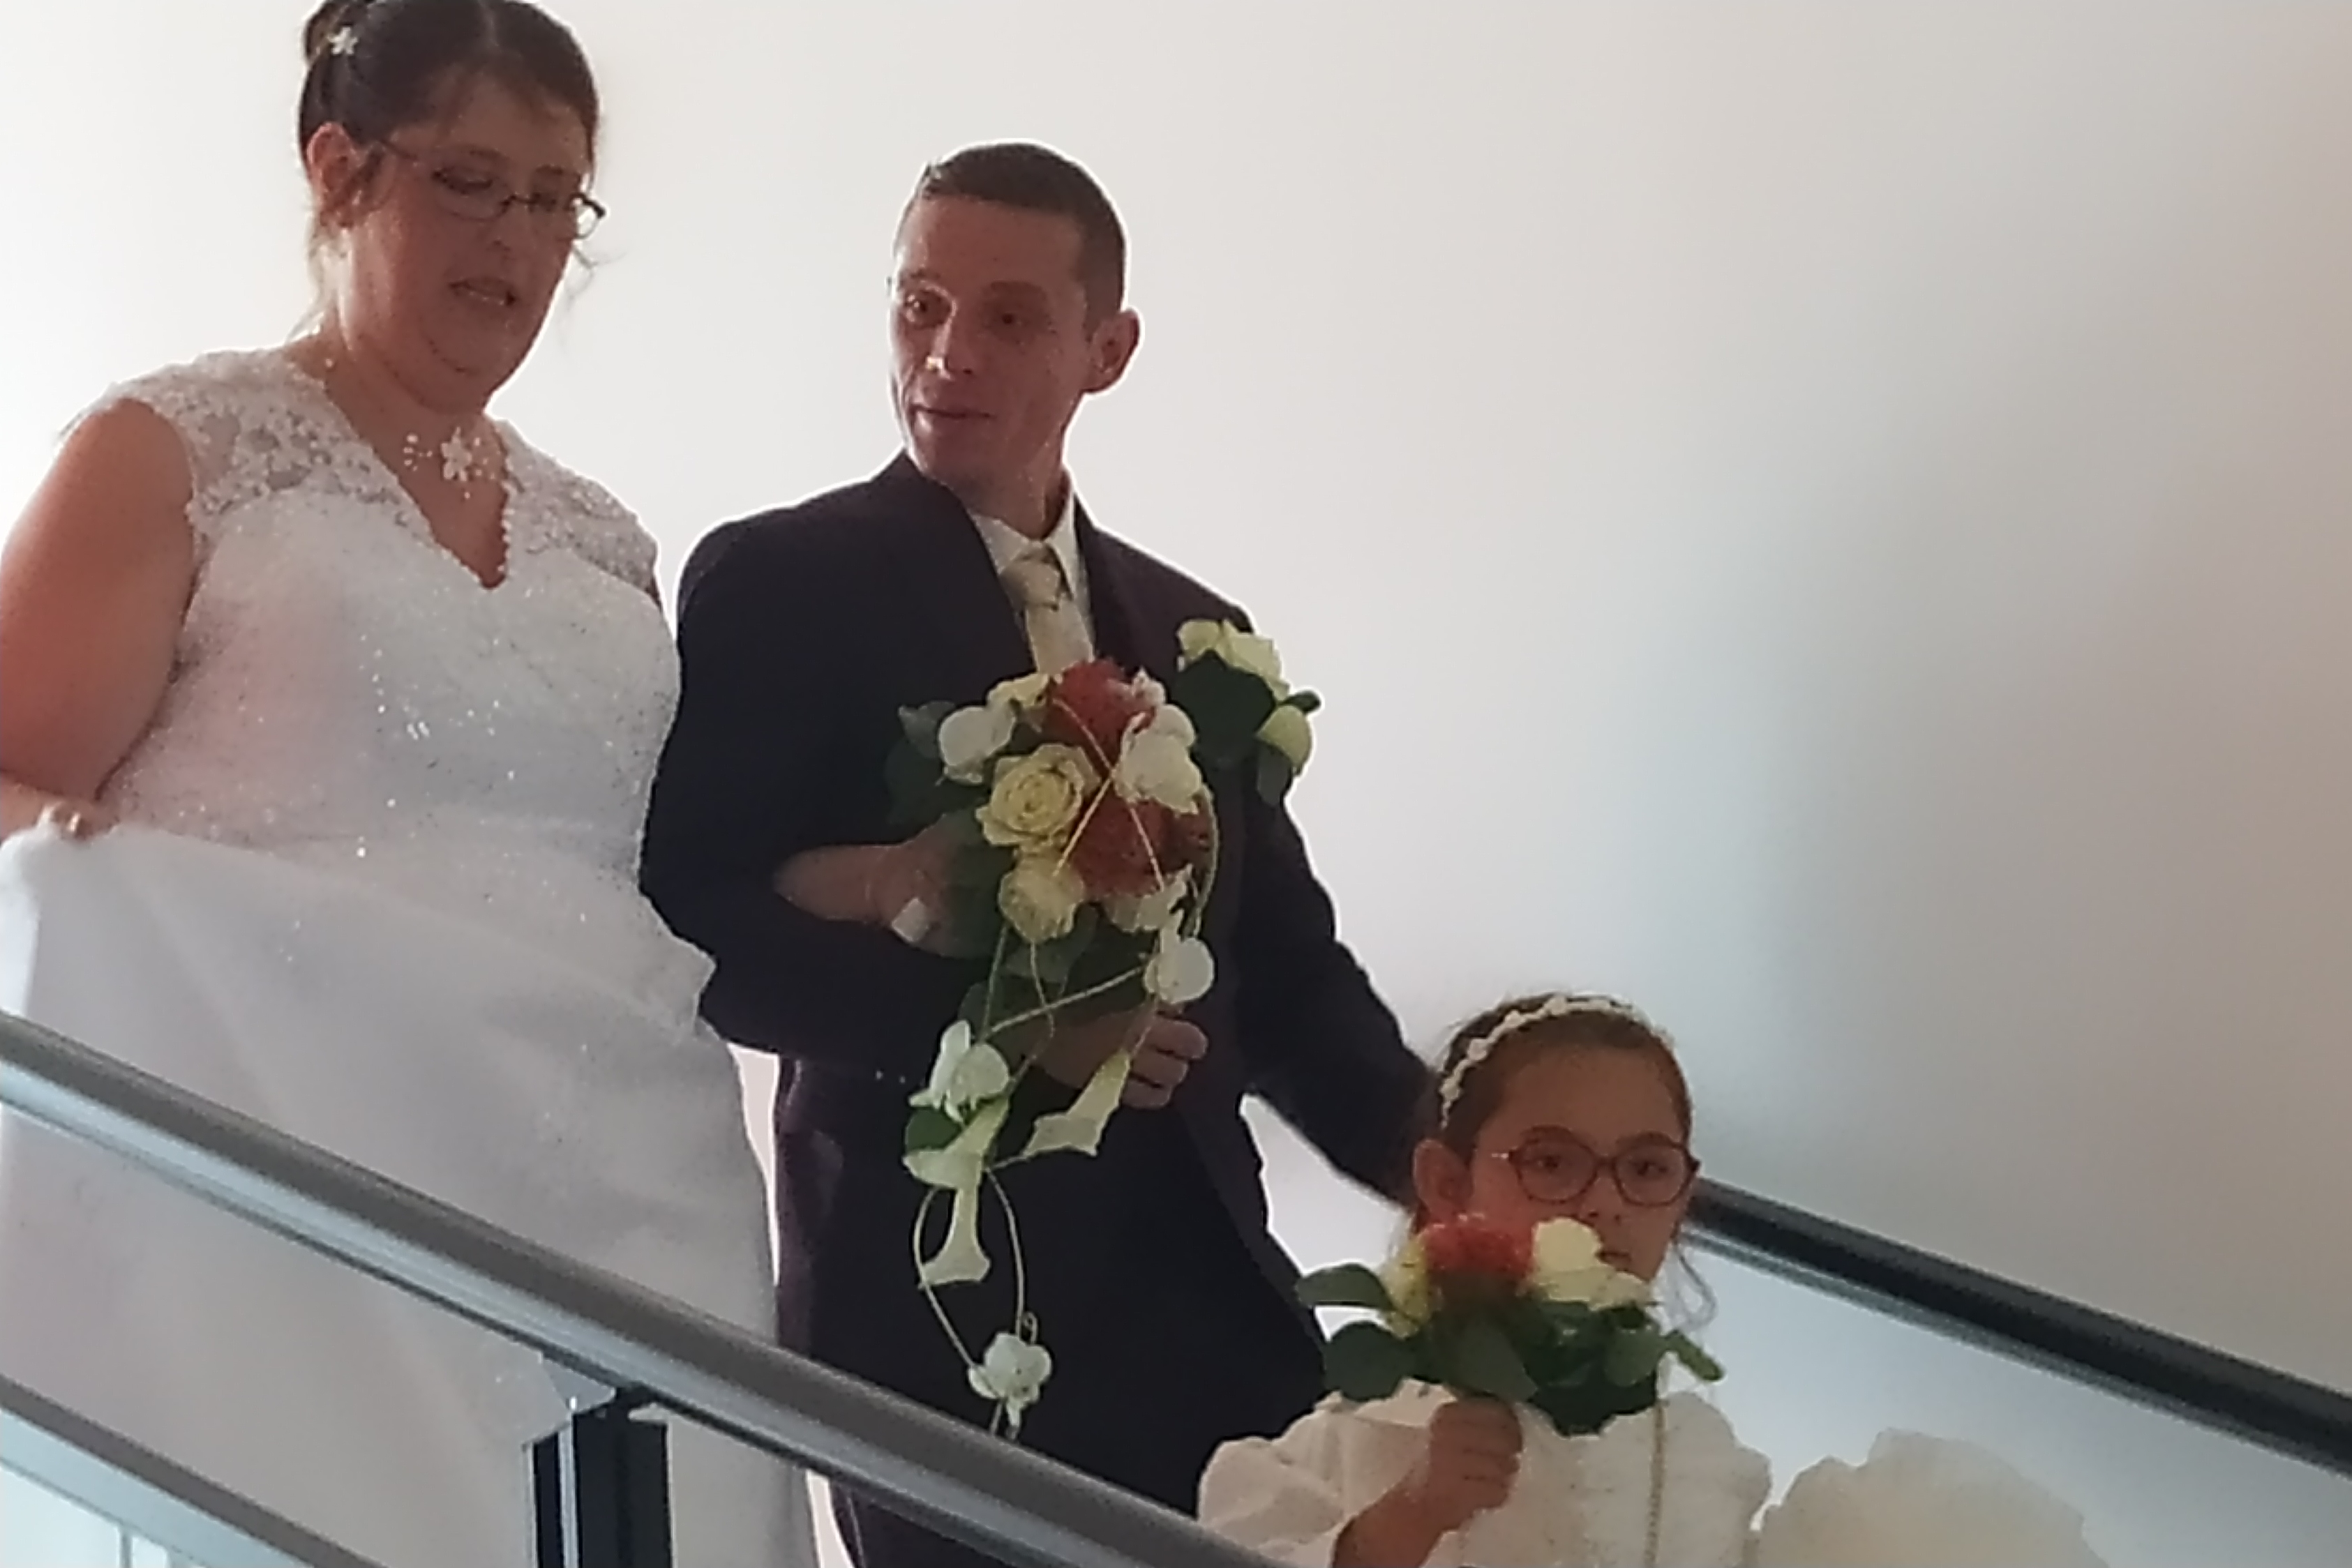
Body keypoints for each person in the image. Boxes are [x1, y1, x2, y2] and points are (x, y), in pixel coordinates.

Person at [0, 6, 817, 1567]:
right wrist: (114, 872)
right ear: (340, 169)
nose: (513, 241)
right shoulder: (175, 451)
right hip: (294, 1177)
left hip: (627, 1182)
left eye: (553, 201)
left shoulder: (603, 540)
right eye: (468, 182)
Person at [638, 141, 1432, 1565]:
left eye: (1008, 316)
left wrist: (1450, 1168)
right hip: (934, 1304)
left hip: (1208, 1306)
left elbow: (1286, 972)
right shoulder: (781, 580)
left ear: (1105, 349)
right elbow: (699, 921)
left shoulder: (1194, 631)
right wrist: (1005, 1026)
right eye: (919, 305)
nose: (948, 352)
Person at [1197, 993, 1774, 1567]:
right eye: (1551, 1162)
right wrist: (1410, 1517)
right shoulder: (1349, 1444)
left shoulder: (1703, 1471)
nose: (1605, 1202)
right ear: (1447, 1183)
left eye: (1647, 1168)